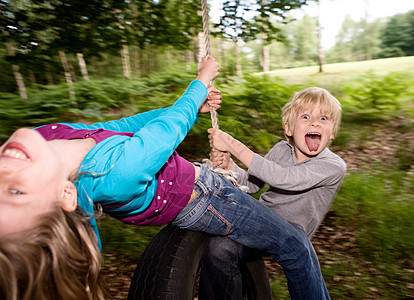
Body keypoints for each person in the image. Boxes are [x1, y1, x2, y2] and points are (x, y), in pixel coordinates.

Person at [0, 57, 329, 300]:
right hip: (207, 198)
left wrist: (194, 106)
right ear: (65, 194)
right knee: (295, 246)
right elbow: (164, 133)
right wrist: (200, 83)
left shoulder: (50, 136)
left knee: (220, 252)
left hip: (203, 189)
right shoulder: (116, 176)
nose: (4, 170)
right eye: (16, 191)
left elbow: (127, 125)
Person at [199, 87, 346, 299]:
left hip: (292, 232)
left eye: (323, 118)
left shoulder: (333, 165)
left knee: (300, 254)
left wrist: (232, 145)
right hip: (260, 224)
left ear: (332, 132)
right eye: (305, 116)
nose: (315, 123)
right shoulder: (280, 150)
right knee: (219, 249)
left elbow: (284, 178)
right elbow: (252, 184)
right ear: (289, 128)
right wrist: (230, 166)